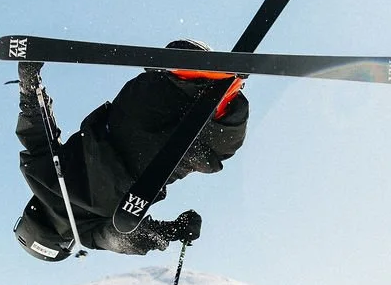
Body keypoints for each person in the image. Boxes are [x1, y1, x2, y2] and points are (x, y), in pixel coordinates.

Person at [13, 42, 249, 260]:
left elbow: (122, 238)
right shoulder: (38, 172)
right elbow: (35, 125)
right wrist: (29, 81)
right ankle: (184, 77)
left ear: (60, 244)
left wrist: (173, 230)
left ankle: (222, 105)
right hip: (129, 117)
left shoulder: (89, 234)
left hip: (158, 159)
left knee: (214, 151)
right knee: (162, 93)